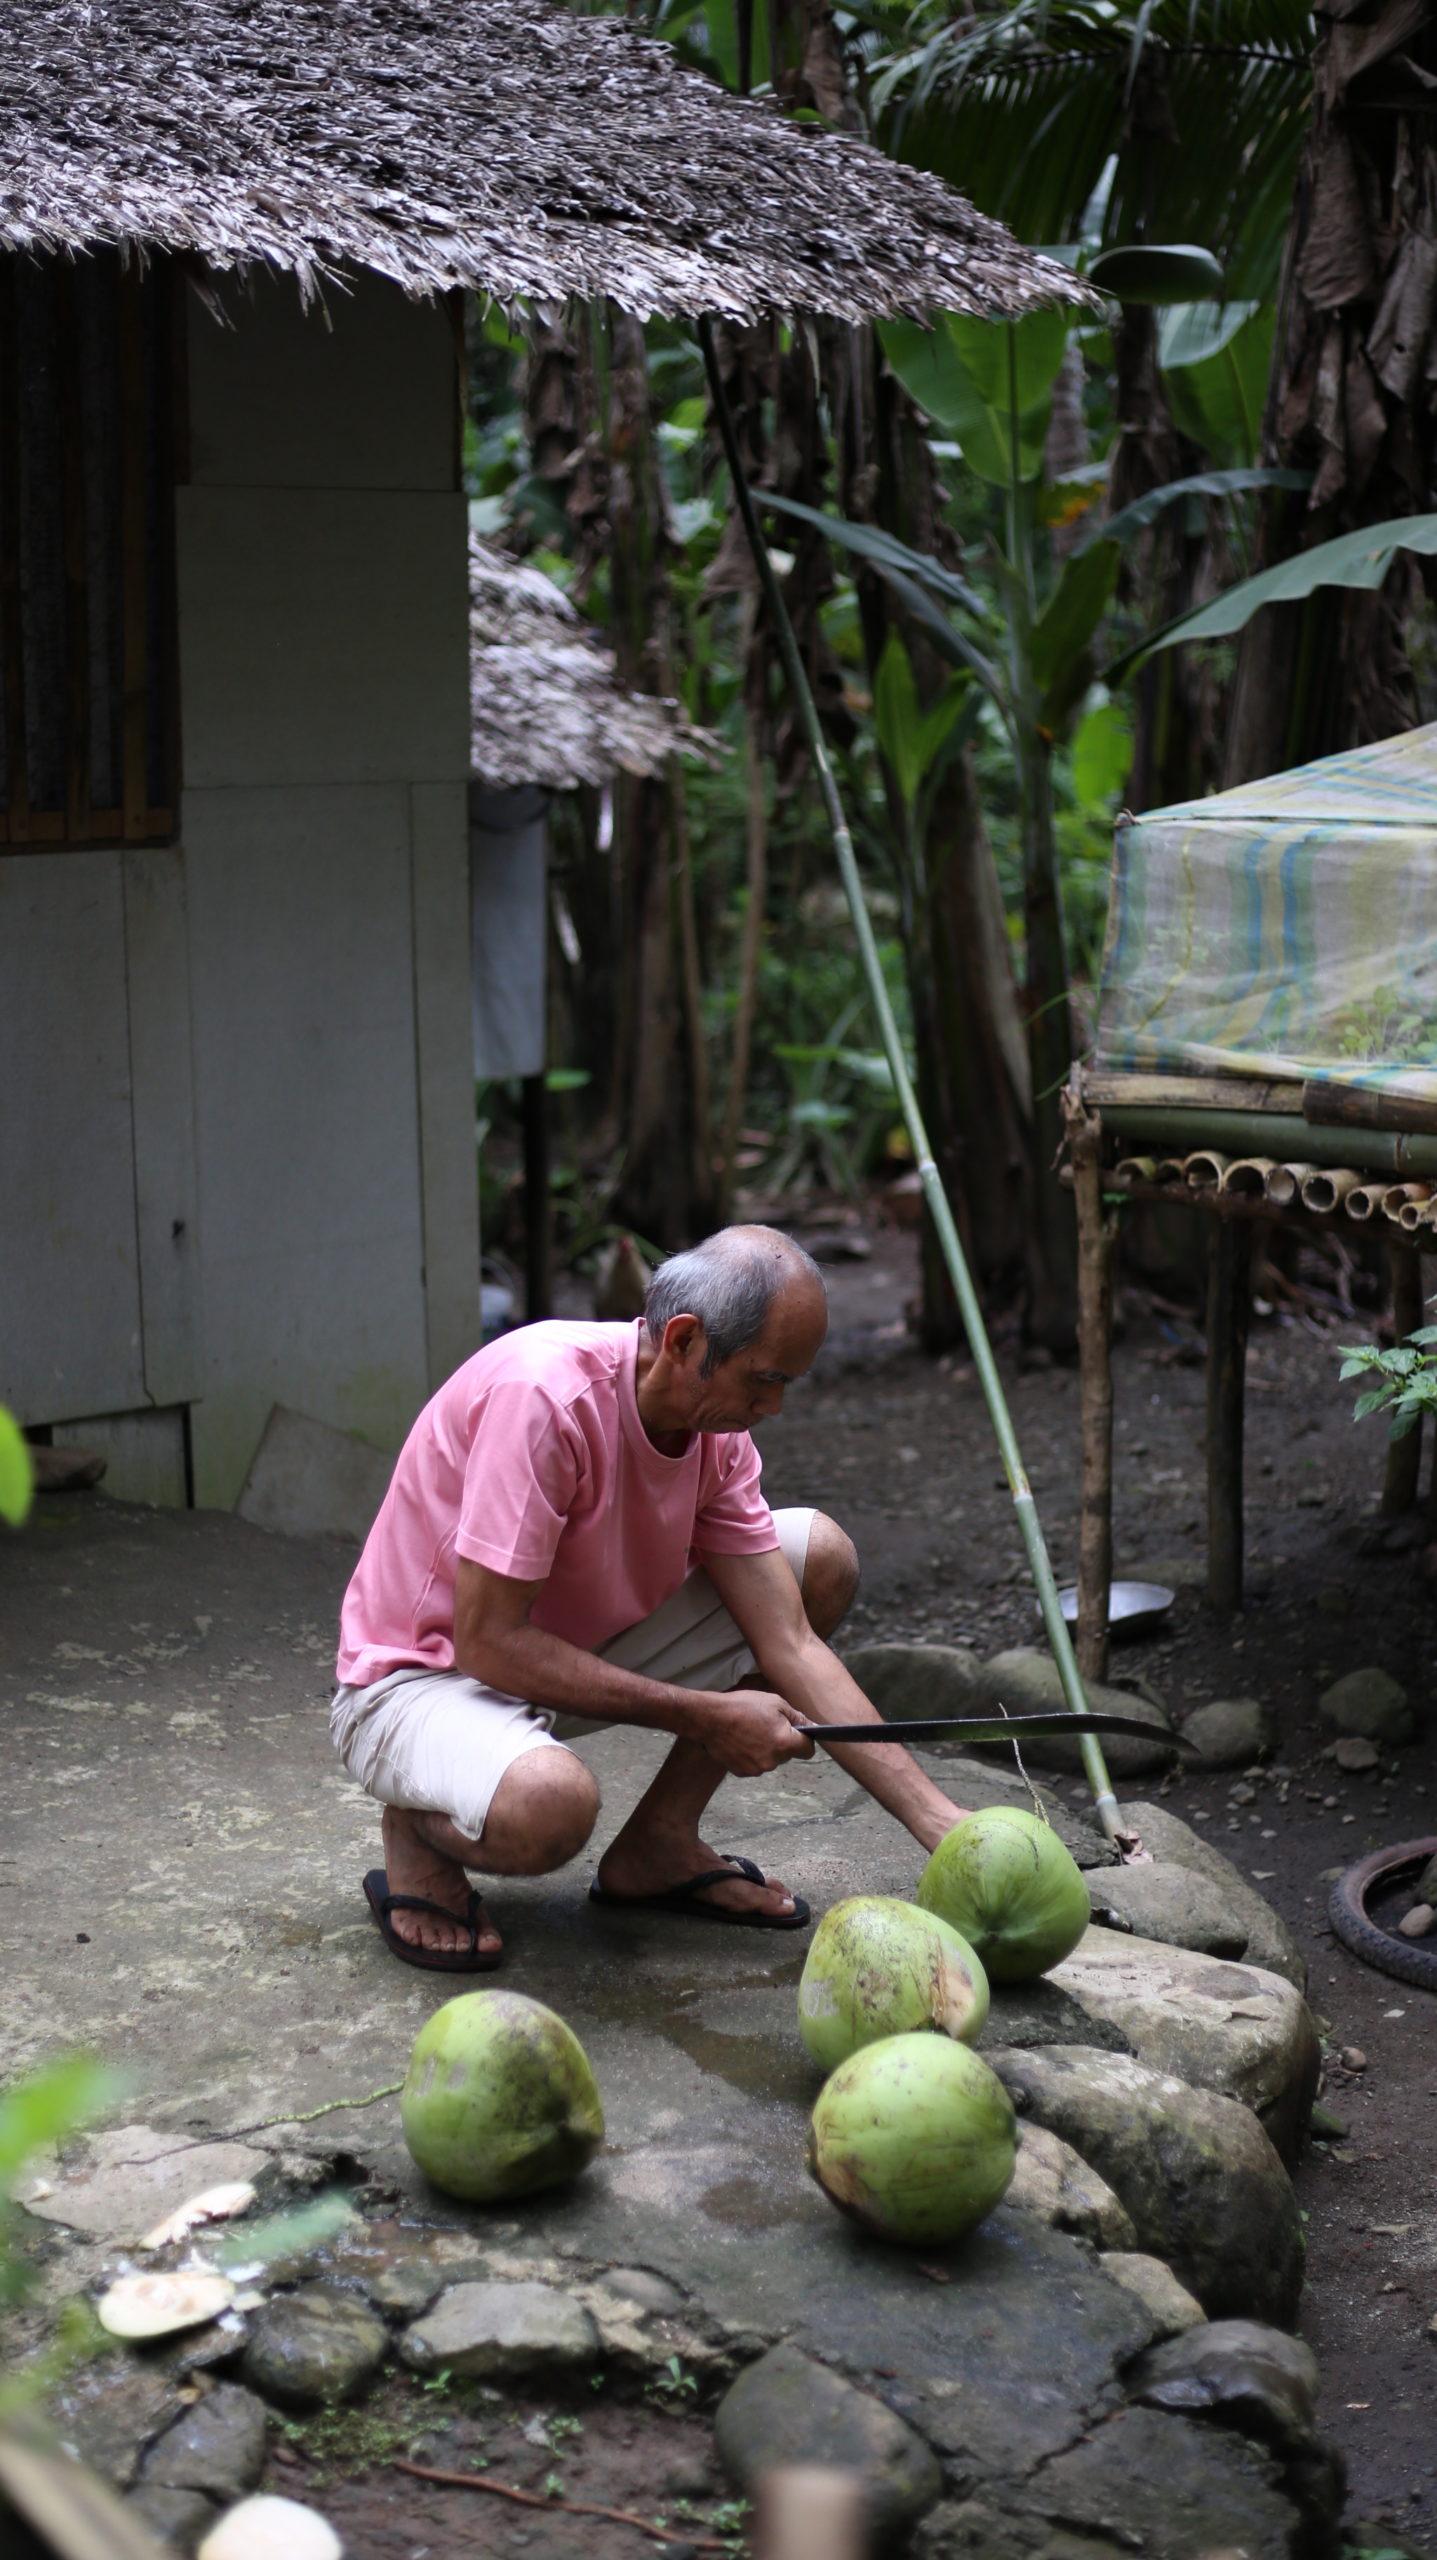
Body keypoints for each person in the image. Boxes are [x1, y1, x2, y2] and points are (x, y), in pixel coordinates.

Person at [331, 1224, 970, 1970]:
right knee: (551, 1809)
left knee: (816, 1559)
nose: (774, 1407)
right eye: (763, 1379)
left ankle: (658, 1846)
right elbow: (489, 1643)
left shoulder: (711, 1430)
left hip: (557, 1654)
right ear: (684, 1341)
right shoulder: (544, 1396)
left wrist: (941, 1824)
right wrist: (708, 1714)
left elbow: (788, 1641)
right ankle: (417, 1831)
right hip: (421, 1681)